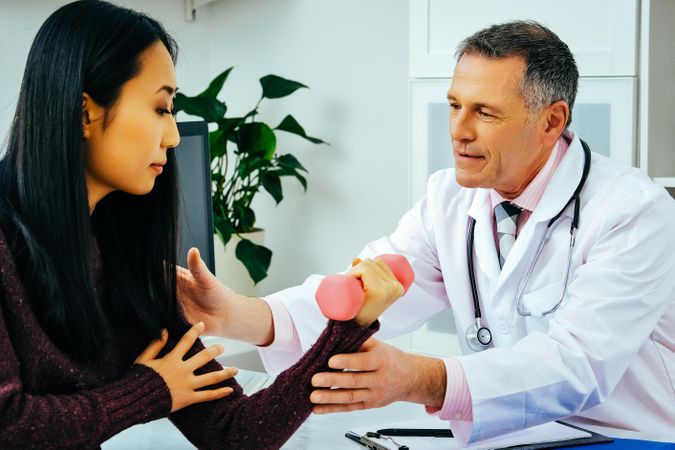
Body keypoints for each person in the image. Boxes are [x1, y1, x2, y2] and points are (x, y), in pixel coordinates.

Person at [179, 20, 675, 443]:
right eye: (455, 105)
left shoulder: (632, 212)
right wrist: (239, 315)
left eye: (485, 112)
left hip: (625, 440)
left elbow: (579, 364)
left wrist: (421, 378)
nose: (458, 129)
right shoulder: (449, 200)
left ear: (552, 121)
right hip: (510, 441)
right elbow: (363, 291)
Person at [0, 1, 406, 448]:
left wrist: (346, 327)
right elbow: (10, 424)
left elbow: (237, 433)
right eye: (160, 108)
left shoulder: (120, 261)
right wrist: (150, 391)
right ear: (84, 113)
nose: (173, 137)